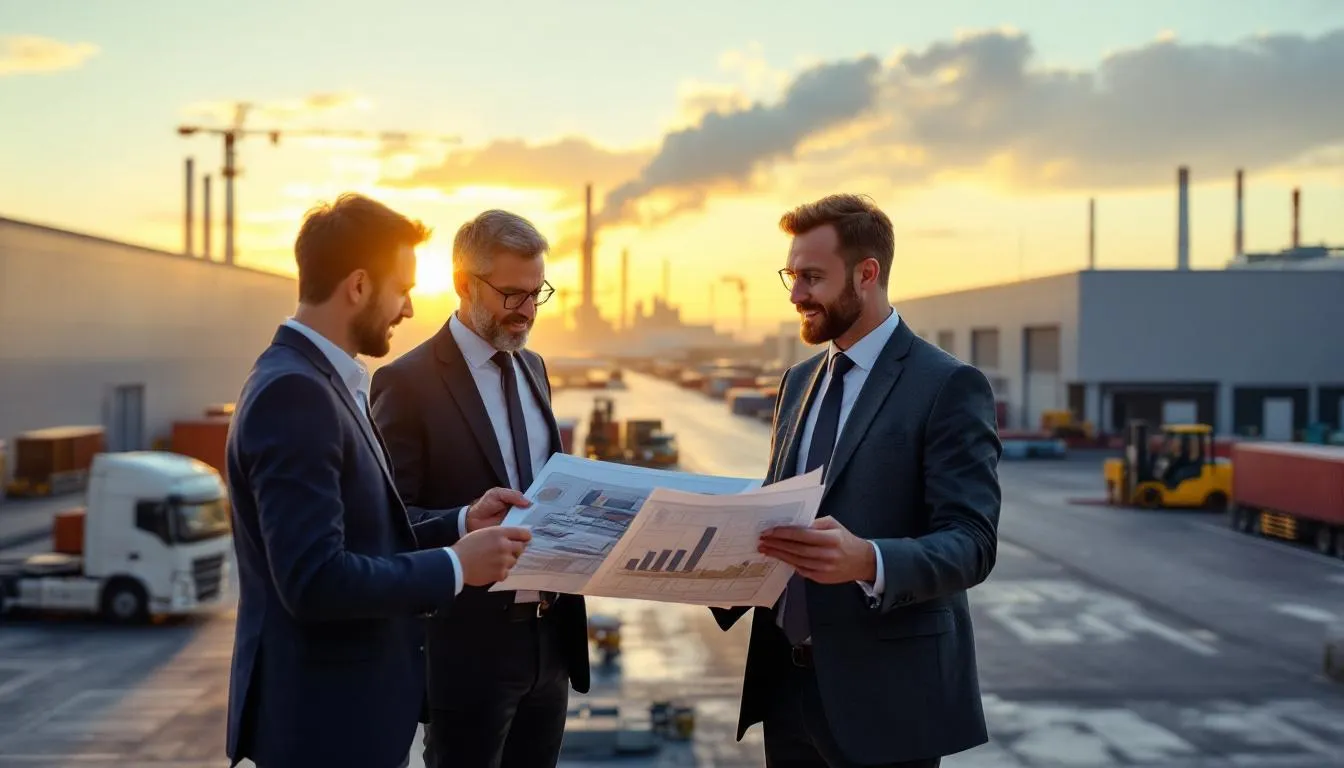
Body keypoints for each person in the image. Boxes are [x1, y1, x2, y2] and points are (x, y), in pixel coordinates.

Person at [224, 193, 535, 768]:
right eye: (403, 288)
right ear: (360, 287)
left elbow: (367, 537)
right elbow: (314, 580)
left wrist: (462, 521)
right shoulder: (295, 394)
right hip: (324, 728)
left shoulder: (325, 382)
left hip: (347, 719)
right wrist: (455, 566)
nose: (410, 309)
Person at [713, 194, 1002, 767]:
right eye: (792, 277)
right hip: (788, 690)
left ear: (867, 274)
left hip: (887, 700)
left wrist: (868, 560)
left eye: (813, 278)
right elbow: (780, 514)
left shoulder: (947, 385)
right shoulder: (798, 382)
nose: (796, 295)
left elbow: (973, 541)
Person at [370, 209, 590, 768]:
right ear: (464, 284)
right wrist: (465, 520)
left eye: (537, 293)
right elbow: (388, 526)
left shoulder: (534, 367)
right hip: (464, 649)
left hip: (550, 639)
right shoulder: (405, 383)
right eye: (511, 294)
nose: (526, 311)